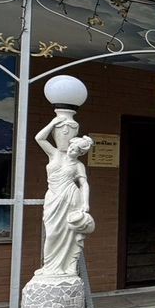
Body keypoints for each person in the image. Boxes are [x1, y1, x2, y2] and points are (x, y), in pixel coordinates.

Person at [33, 115, 95, 277]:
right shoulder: (54, 154)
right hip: (53, 197)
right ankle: (49, 266)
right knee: (52, 233)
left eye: (77, 151)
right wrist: (53, 122)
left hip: (71, 198)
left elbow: (84, 184)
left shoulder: (78, 165)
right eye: (72, 148)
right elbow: (39, 138)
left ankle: (70, 266)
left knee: (71, 233)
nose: (72, 151)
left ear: (81, 153)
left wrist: (86, 203)